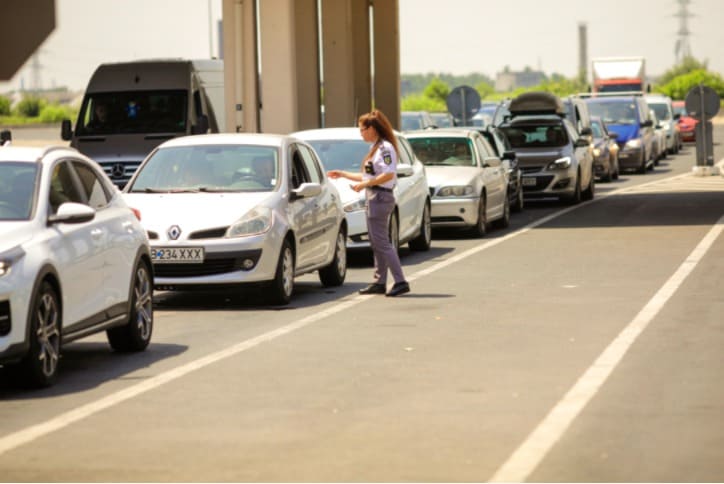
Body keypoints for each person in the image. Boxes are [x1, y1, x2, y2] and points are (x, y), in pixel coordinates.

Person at [327, 109, 410, 297]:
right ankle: (379, 281)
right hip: (374, 196)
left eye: (362, 129)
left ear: (372, 128)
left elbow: (388, 174)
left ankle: (400, 280)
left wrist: (366, 183)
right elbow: (367, 175)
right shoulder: (375, 148)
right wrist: (342, 174)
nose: (361, 133)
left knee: (382, 242)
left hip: (380, 197)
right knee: (376, 242)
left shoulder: (385, 149)